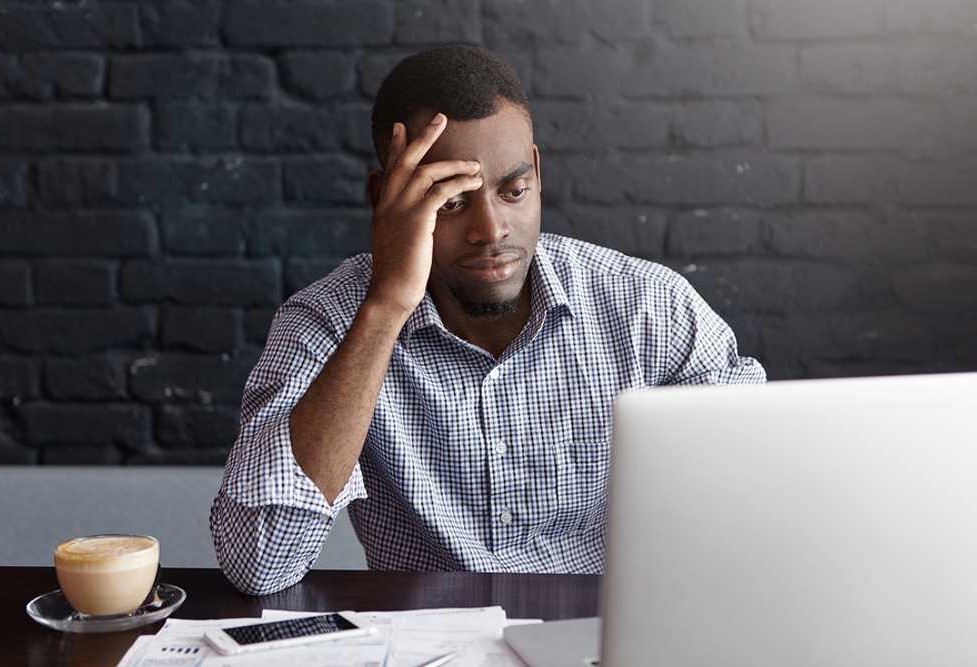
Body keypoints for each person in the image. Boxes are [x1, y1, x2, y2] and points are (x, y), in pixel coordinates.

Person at [210, 45, 766, 595]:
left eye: (514, 190)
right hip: (426, 644)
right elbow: (262, 563)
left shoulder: (650, 308)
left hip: (604, 638)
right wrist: (386, 307)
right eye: (450, 201)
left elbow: (764, 487)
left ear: (538, 174)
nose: (491, 229)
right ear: (385, 199)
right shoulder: (325, 322)